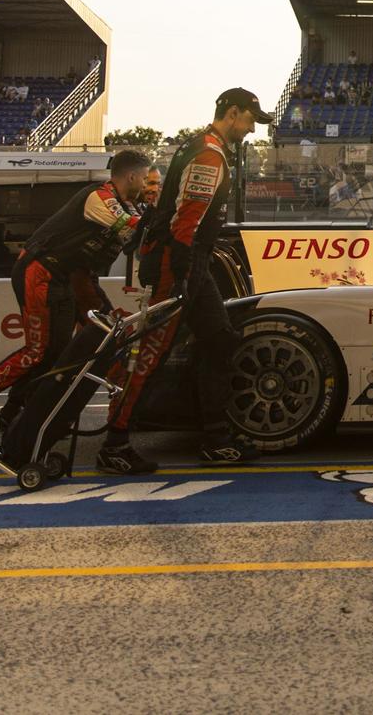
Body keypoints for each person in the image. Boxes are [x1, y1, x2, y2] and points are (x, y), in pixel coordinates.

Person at [98, 89, 271, 474]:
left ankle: (215, 438)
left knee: (219, 340)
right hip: (178, 262)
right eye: (248, 121)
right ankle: (114, 443)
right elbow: (185, 221)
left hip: (190, 260)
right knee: (150, 352)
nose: (250, 130)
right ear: (232, 113)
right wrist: (182, 272)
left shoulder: (203, 146)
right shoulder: (209, 153)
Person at [0, 149, 151, 435]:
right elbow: (133, 231)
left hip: (63, 276)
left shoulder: (129, 204)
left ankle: (15, 412)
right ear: (131, 176)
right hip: (40, 269)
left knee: (55, 351)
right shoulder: (100, 197)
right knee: (40, 349)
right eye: (144, 179)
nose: (145, 186)